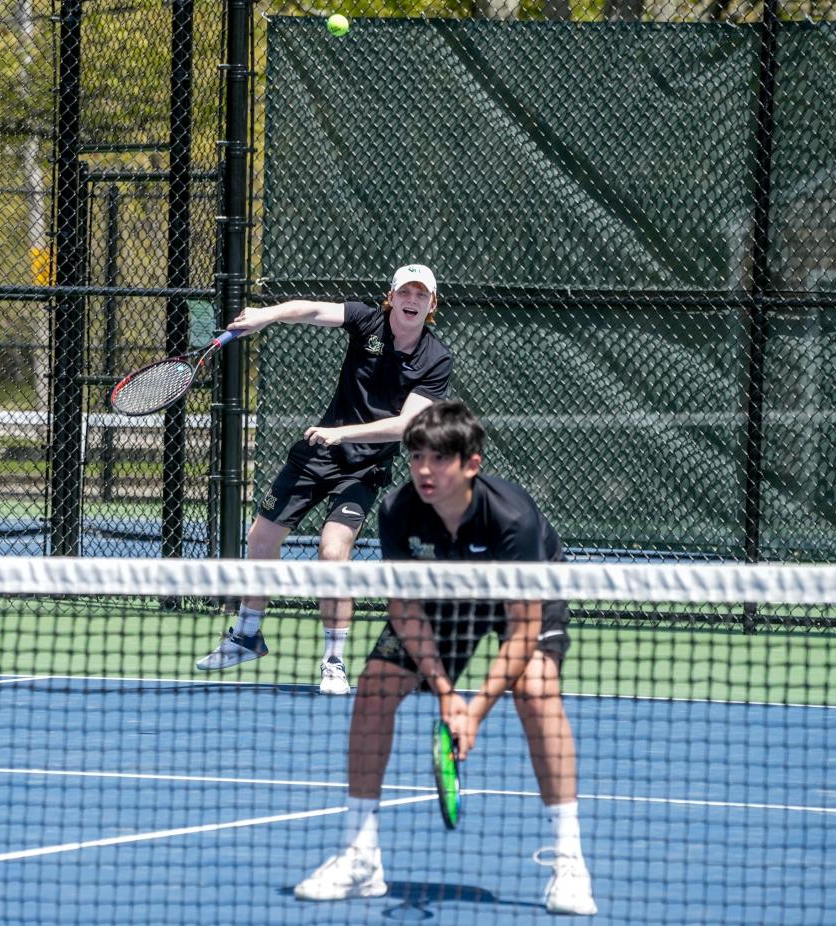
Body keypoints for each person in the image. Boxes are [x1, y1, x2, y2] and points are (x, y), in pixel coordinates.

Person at [294, 400, 598, 915]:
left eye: (438, 459)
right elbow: (406, 610)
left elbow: (522, 628)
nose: (424, 470)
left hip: (524, 596)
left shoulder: (512, 519)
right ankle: (360, 855)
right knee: (374, 686)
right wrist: (445, 694)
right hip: (441, 598)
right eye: (416, 458)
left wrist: (472, 712)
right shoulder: (397, 511)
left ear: (471, 464)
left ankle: (569, 859)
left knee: (536, 689)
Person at [195, 265, 454, 695]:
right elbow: (312, 310)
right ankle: (246, 635)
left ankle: (333, 661)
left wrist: (342, 434)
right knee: (260, 538)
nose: (412, 299)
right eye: (405, 291)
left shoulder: (436, 358)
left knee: (333, 553)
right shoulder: (365, 320)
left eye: (421, 294)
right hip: (316, 455)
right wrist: (267, 314)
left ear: (431, 305)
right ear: (391, 298)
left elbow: (406, 427)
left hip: (363, 468)